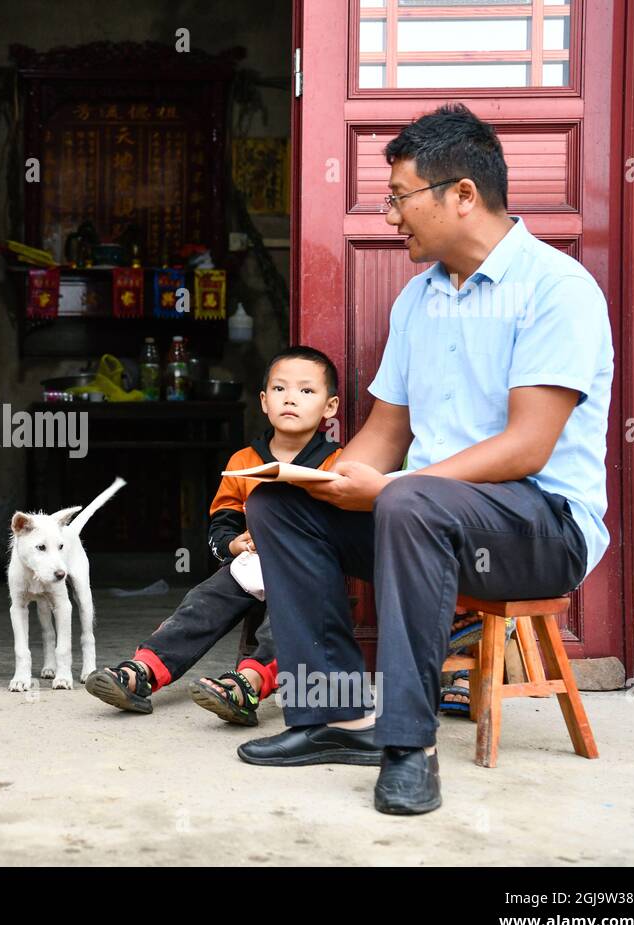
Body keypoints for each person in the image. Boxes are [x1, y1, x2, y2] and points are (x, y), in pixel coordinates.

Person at [238, 104, 612, 815]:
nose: (390, 217)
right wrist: (330, 477)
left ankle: (410, 746)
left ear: (462, 195)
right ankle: (339, 716)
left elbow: (527, 446)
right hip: (428, 517)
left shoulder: (557, 291)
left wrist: (393, 488)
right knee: (281, 505)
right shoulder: (420, 297)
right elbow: (385, 433)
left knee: (410, 501)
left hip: (541, 528)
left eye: (400, 198)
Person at [84, 347, 342, 724]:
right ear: (264, 402)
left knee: (286, 622)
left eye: (306, 391)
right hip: (251, 564)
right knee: (200, 604)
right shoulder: (243, 461)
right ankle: (142, 673)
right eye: (280, 389)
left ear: (329, 406)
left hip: (306, 571)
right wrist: (233, 544)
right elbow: (223, 520)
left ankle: (247, 686)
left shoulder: (336, 461)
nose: (290, 398)